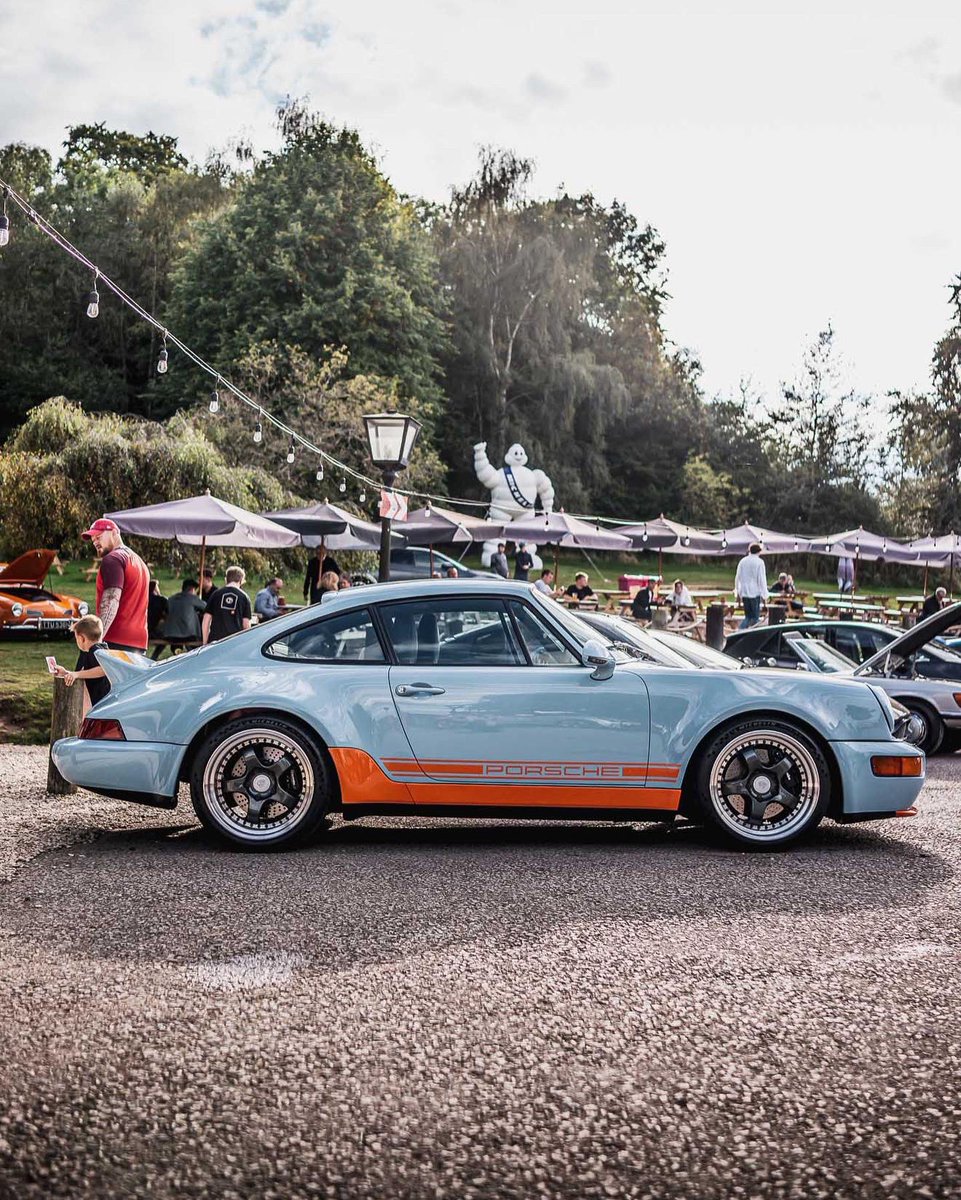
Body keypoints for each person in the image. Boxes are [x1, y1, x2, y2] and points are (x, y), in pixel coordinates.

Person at [80, 518, 150, 652]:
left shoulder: (113, 559)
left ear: (114, 533)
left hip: (114, 640)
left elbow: (111, 599)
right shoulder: (139, 562)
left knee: (81, 673)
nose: (95, 542)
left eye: (98, 537)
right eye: (93, 539)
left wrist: (96, 640)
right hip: (139, 643)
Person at [56, 614, 110, 712]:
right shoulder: (90, 652)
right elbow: (86, 674)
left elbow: (103, 669)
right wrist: (66, 673)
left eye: (76, 639)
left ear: (82, 638)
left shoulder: (96, 651)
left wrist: (76, 674)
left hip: (99, 708)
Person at [202, 565, 252, 644]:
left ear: (226, 579)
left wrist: (205, 643)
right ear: (241, 580)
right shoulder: (244, 597)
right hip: (235, 643)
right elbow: (246, 625)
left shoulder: (216, 594)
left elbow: (206, 619)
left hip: (215, 642)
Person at [158, 578, 206, 657]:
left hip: (170, 635)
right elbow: (206, 607)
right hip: (188, 635)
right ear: (192, 589)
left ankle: (176, 651)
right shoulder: (192, 598)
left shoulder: (171, 599)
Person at [735, 542, 768, 630]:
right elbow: (761, 579)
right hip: (755, 592)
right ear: (759, 551)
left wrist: (738, 591)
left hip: (745, 592)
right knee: (755, 617)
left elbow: (738, 577)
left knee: (748, 617)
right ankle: (752, 632)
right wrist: (765, 595)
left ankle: (741, 630)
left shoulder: (743, 561)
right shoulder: (759, 562)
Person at [147, 580, 168, 647]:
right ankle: (154, 657)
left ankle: (154, 657)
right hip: (155, 631)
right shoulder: (161, 600)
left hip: (144, 630)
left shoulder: (144, 599)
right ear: (155, 589)